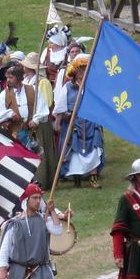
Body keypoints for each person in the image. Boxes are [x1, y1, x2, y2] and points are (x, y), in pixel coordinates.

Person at [58, 55, 105, 188]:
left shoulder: (92, 87)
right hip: (74, 123)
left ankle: (93, 178)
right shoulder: (68, 87)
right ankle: (77, 178)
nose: (83, 72)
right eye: (81, 69)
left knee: (95, 148)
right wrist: (60, 120)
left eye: (86, 69)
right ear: (75, 70)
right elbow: (60, 107)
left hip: (91, 122)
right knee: (75, 151)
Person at [21, 55, 59, 190]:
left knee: (41, 150)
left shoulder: (42, 82)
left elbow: (48, 103)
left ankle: (42, 180)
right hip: (29, 121)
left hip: (41, 123)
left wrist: (36, 118)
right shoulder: (26, 80)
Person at [0, 63, 46, 154]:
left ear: (19, 78)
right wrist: (9, 114)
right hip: (13, 135)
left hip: (33, 132)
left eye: (11, 78)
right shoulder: (4, 94)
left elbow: (42, 107)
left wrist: (36, 120)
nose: (8, 80)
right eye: (7, 78)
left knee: (34, 159)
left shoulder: (33, 89)